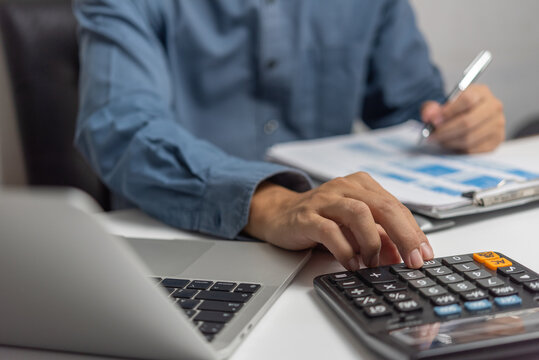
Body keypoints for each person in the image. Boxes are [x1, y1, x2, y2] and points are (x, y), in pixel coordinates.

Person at [73, 0, 505, 271]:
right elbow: (119, 126)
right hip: (174, 248)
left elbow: (411, 107)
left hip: (333, 249)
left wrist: (457, 122)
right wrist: (271, 202)